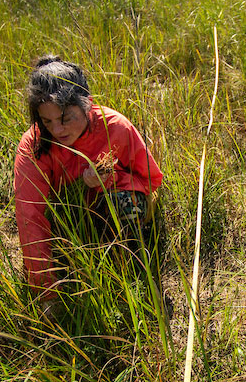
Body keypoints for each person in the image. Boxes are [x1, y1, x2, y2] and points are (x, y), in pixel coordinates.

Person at [14, 55, 164, 299]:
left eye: (66, 118)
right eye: (47, 121)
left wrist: (108, 180)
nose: (58, 130)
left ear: (87, 104)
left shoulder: (115, 127)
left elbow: (151, 179)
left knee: (125, 204)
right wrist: (46, 292)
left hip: (114, 210)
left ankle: (134, 268)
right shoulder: (35, 145)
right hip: (67, 219)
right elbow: (30, 215)